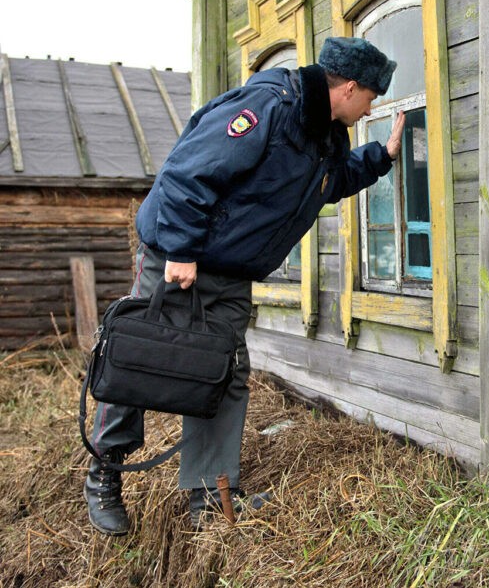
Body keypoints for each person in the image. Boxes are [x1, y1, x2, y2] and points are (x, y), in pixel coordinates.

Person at [84, 37, 404, 535]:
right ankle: (105, 473)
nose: (371, 107)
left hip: (232, 272)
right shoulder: (269, 106)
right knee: (138, 355)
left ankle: (210, 496)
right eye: (371, 96)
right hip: (179, 256)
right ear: (348, 87)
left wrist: (381, 157)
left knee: (226, 372)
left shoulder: (326, 135)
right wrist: (182, 249)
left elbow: (326, 185)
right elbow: (189, 170)